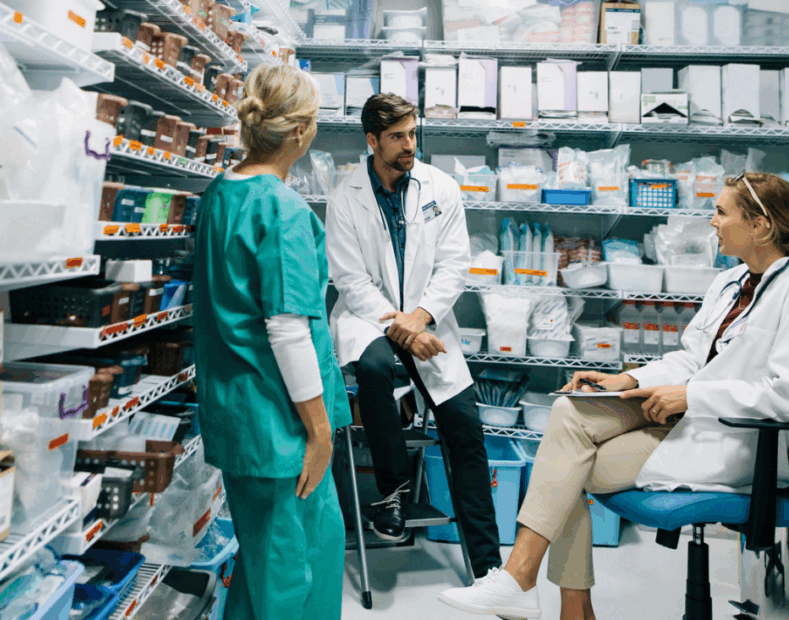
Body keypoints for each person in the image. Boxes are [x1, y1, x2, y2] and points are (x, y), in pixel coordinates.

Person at [439, 171, 789, 620]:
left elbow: (781, 395)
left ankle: (548, 595)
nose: (712, 221)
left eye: (722, 212)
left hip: (740, 441)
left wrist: (693, 398)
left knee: (565, 464)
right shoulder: (729, 283)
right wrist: (627, 379)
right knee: (569, 411)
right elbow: (690, 359)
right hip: (685, 416)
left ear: (760, 225)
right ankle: (527, 585)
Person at [192, 63, 351, 620]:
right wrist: (319, 431)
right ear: (302, 133)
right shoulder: (281, 209)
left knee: (263, 566)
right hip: (282, 428)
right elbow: (287, 331)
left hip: (242, 417)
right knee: (295, 572)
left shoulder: (220, 195)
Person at [325, 93, 502, 578]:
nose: (409, 145)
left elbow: (453, 265)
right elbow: (350, 280)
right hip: (369, 318)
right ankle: (392, 496)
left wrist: (419, 317)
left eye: (412, 134)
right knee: (377, 367)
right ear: (372, 140)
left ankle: (488, 566)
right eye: (398, 136)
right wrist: (398, 323)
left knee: (465, 425)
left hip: (428, 320)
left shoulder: (440, 188)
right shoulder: (345, 197)